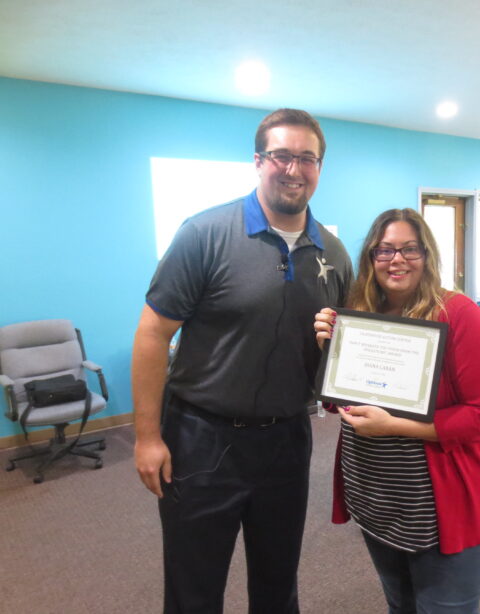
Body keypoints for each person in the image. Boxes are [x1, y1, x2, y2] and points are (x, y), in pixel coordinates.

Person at [132, 108, 352, 614]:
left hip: (286, 442)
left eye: (306, 158)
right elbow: (151, 335)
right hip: (201, 441)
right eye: (281, 155)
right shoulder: (204, 233)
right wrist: (147, 437)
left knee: (278, 586)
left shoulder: (334, 254)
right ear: (258, 161)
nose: (293, 169)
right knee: (194, 590)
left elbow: (340, 351)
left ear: (319, 167)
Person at [314, 208, 480, 614]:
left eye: (409, 249)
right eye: (384, 250)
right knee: (400, 605)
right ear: (371, 257)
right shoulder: (360, 310)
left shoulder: (459, 314)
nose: (396, 259)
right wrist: (328, 356)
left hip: (436, 506)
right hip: (375, 496)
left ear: (427, 255)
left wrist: (396, 426)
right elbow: (340, 400)